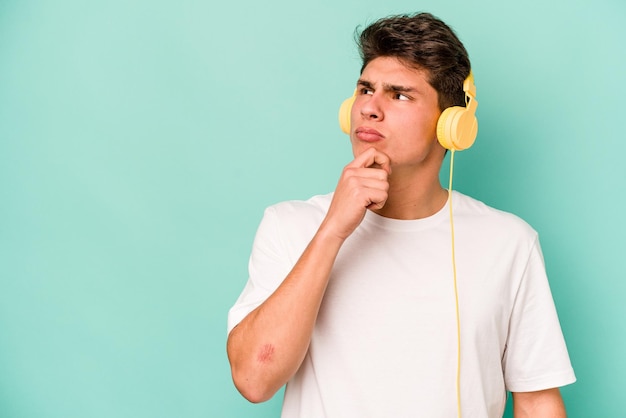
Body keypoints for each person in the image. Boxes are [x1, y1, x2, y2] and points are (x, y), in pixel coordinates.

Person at [226, 12, 575, 418]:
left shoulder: (509, 242)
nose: (370, 108)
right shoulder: (291, 225)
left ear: (451, 125)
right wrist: (332, 232)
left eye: (399, 94)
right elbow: (254, 379)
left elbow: (536, 402)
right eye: (365, 89)